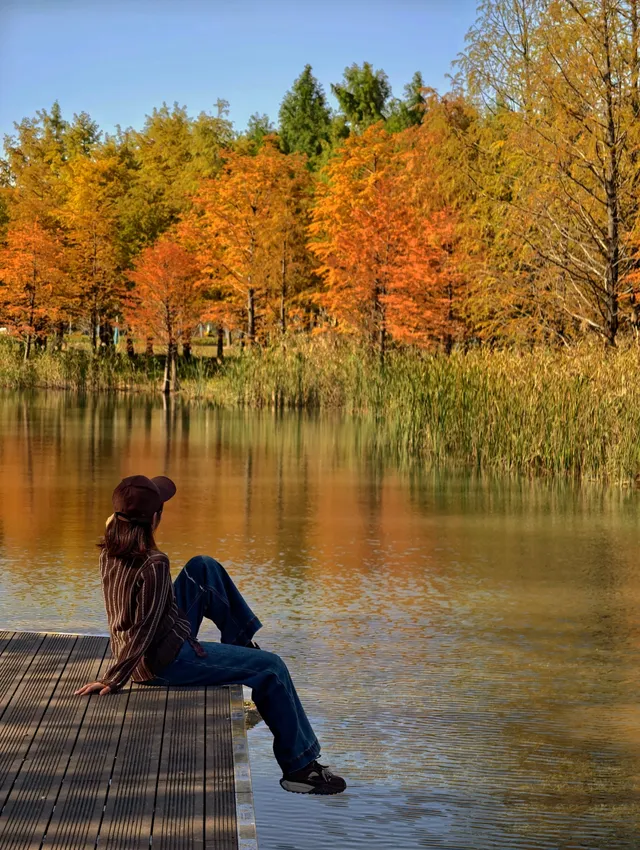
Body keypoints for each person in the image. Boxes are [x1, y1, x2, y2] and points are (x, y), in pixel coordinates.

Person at [74, 474, 346, 796]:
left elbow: (142, 618)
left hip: (157, 639)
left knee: (203, 568)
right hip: (163, 660)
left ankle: (243, 650)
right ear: (155, 519)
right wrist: (113, 678)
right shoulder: (154, 564)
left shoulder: (110, 548)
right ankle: (299, 768)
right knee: (272, 668)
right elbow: (145, 628)